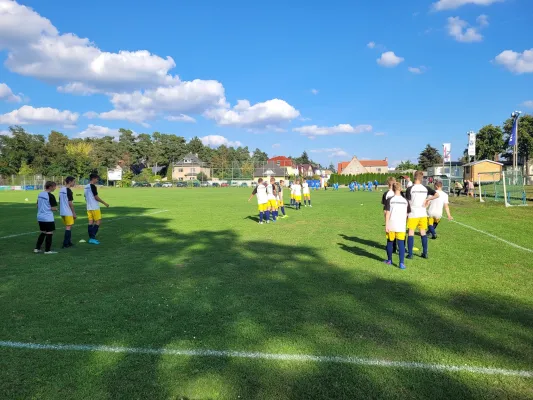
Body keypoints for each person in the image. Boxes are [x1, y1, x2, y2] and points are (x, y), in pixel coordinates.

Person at [405, 171, 439, 259]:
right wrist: (428, 199)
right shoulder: (425, 188)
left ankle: (410, 254)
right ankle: (425, 253)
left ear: (414, 177)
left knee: (411, 233)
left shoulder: (410, 189)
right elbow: (437, 194)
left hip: (413, 213)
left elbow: (407, 203)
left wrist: (406, 214)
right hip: (423, 214)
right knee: (423, 233)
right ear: (421, 178)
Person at [385, 182, 411, 269]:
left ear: (393, 189)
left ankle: (389, 260)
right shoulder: (405, 201)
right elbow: (407, 214)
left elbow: (387, 214)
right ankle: (401, 263)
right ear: (401, 189)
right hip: (401, 225)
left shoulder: (390, 200)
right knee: (401, 245)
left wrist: (386, 225)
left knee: (390, 242)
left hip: (392, 224)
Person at [84, 173, 109, 245]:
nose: (97, 180)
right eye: (97, 179)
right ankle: (92, 238)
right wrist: (104, 203)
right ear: (93, 178)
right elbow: (96, 197)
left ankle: (91, 238)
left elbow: (85, 197)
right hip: (94, 207)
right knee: (98, 221)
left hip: (89, 207)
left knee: (90, 222)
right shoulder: (93, 186)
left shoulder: (86, 187)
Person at [34, 181, 58, 255]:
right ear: (50, 187)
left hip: (40, 216)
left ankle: (37, 248)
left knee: (43, 232)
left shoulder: (40, 194)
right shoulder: (51, 196)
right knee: (49, 233)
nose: (55, 188)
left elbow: (37, 205)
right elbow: (53, 208)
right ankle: (47, 250)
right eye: (54, 186)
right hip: (47, 217)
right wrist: (56, 209)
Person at [59, 176, 77, 248]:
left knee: (68, 226)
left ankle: (69, 242)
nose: (74, 183)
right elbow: (70, 203)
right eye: (73, 182)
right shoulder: (68, 191)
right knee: (68, 227)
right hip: (68, 212)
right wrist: (74, 213)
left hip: (62, 211)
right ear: (69, 182)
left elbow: (60, 200)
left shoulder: (61, 190)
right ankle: (66, 243)